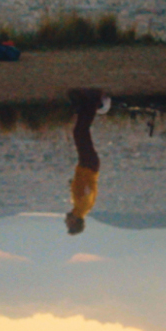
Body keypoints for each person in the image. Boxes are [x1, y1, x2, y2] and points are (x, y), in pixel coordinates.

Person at [65, 88, 110, 235]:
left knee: (80, 132)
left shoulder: (78, 207)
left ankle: (83, 106)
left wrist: (74, 183)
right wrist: (81, 184)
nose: (66, 222)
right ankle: (93, 102)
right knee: (80, 132)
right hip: (89, 165)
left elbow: (82, 189)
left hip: (86, 165)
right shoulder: (83, 207)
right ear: (75, 222)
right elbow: (89, 191)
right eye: (68, 224)